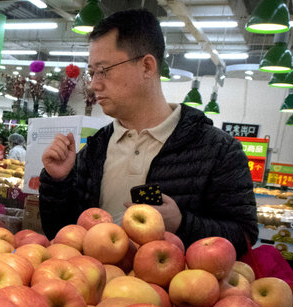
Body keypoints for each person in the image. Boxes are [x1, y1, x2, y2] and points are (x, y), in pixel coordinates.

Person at [39, 9, 257, 258]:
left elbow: (244, 238)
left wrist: (182, 224)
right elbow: (60, 234)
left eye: (104, 70)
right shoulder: (95, 149)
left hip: (175, 294)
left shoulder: (218, 150)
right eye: (92, 72)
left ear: (146, 66)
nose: (93, 83)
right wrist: (58, 182)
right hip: (96, 291)